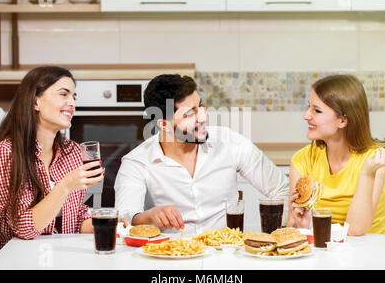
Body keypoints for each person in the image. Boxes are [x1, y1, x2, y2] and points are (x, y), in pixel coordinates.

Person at [114, 74, 289, 234]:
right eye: (190, 113)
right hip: (170, 256)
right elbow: (123, 221)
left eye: (201, 106)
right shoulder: (137, 162)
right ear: (164, 124)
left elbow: (282, 189)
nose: (203, 117)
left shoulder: (229, 142)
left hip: (226, 255)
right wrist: (149, 216)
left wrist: (282, 235)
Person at [0, 66, 104, 265]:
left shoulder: (73, 152)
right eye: (64, 94)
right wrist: (65, 186)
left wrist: (108, 223)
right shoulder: (8, 152)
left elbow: (74, 217)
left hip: (58, 260)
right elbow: (24, 228)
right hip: (15, 264)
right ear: (36, 101)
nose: (72, 103)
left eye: (74, 97)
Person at [287, 74, 385, 235]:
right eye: (309, 107)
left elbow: (355, 230)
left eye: (317, 110)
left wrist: (368, 172)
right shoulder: (302, 159)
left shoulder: (374, 160)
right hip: (325, 251)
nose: (306, 116)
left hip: (371, 252)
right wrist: (304, 227)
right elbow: (291, 228)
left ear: (342, 121)